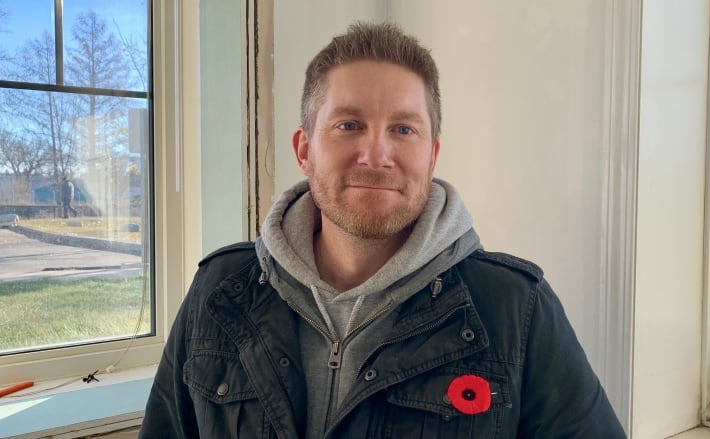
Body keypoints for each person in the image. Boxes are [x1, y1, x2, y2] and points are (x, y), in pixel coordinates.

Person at [139, 22, 626, 438]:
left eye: (404, 129)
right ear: (304, 150)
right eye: (349, 125)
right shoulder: (218, 291)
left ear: (432, 155)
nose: (376, 155)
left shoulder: (517, 310)